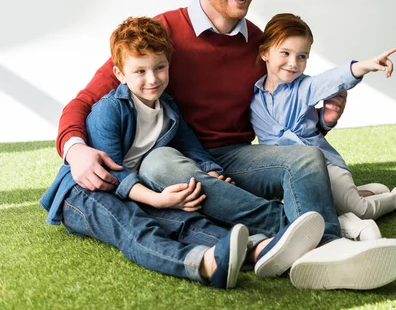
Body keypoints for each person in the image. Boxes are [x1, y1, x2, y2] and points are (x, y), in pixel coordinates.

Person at [54, 0, 396, 290]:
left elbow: (286, 107)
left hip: (230, 158)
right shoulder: (159, 34)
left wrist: (323, 121)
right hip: (170, 160)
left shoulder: (261, 45)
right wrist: (76, 150)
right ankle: (309, 234)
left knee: (306, 157)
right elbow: (86, 101)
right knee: (159, 162)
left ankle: (327, 247)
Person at [41, 16, 330, 289]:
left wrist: (211, 171)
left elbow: (190, 145)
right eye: (140, 71)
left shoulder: (167, 107)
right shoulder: (110, 109)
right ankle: (204, 263)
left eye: (159, 68)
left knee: (186, 221)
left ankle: (259, 248)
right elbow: (114, 175)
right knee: (135, 226)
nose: (152, 79)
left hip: (138, 188)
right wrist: (157, 198)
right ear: (119, 73)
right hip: (88, 192)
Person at [250, 14, 396, 239]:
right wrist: (324, 119)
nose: (293, 63)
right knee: (294, 213)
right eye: (285, 53)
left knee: (359, 210)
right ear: (265, 52)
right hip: (287, 173)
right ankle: (361, 193)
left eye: (302, 56)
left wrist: (364, 66)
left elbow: (332, 79)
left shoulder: (304, 87)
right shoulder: (255, 97)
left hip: (323, 165)